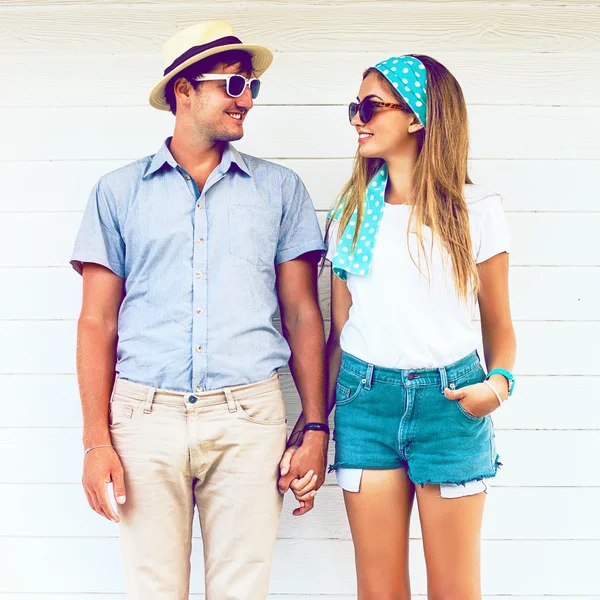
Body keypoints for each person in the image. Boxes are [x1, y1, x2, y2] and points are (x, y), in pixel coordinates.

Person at [71, 20, 329, 600]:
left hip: (249, 416)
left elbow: (303, 313)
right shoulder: (117, 193)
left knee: (243, 591)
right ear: (184, 92)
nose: (247, 100)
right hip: (143, 418)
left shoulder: (280, 190)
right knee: (153, 590)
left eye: (252, 88)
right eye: (233, 86)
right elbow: (97, 321)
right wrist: (96, 441)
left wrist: (314, 425)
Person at [282, 55, 517, 599]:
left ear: (418, 116)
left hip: (452, 403)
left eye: (370, 107)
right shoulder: (352, 213)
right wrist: (314, 424)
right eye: (354, 108)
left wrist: (498, 386)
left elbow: (499, 325)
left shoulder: (474, 209)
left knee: (456, 590)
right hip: (366, 402)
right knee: (379, 590)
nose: (357, 120)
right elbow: (341, 332)